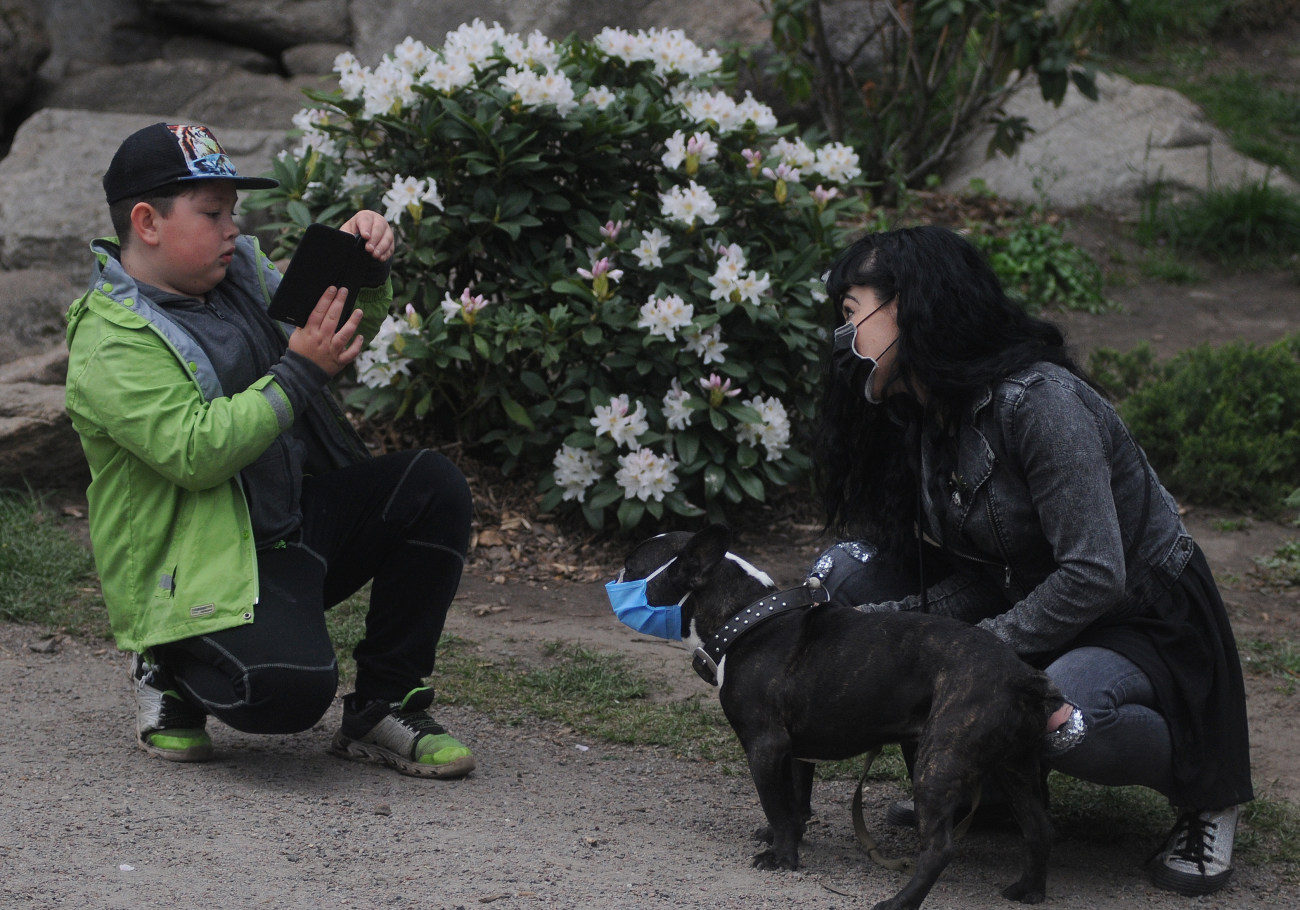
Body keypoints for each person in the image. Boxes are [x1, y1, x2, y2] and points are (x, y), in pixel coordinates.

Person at [806, 226, 1252, 896]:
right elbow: (976, 575)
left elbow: (1095, 574)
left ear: (913, 307)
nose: (846, 338)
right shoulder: (918, 413)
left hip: (1136, 616)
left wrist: (970, 653)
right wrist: (889, 625)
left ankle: (1207, 795)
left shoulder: (1042, 403)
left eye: (853, 313)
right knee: (846, 577)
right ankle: (980, 789)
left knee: (1064, 718)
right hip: (1020, 595)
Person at [64, 122, 475, 779]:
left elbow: (326, 319)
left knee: (432, 486)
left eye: (235, 211)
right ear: (147, 221)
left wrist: (362, 259)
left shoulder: (241, 271)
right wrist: (297, 373)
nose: (234, 227)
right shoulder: (110, 338)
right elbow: (195, 452)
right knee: (286, 697)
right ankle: (166, 661)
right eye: (214, 213)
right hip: (196, 569)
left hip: (285, 530)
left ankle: (385, 705)